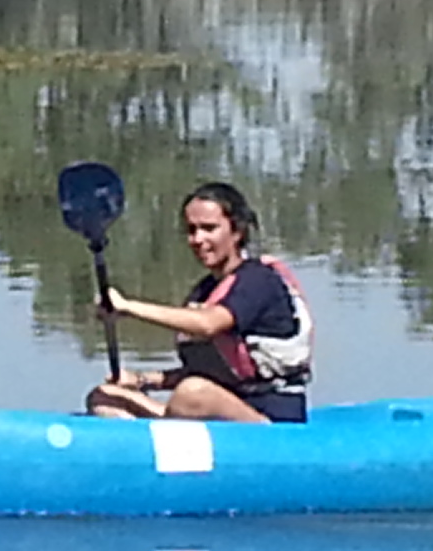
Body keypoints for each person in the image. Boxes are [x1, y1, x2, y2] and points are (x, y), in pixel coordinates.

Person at [86, 182, 313, 424]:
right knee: (104, 396)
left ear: (237, 231)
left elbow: (208, 325)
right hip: (218, 408)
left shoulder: (258, 280)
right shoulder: (204, 291)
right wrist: (142, 380)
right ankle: (148, 438)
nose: (197, 239)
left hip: (270, 418)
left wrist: (128, 307)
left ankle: (163, 431)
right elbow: (208, 372)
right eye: (191, 230)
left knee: (192, 394)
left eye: (209, 228)